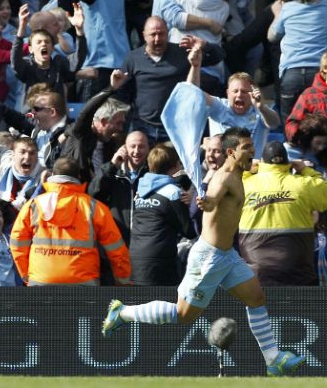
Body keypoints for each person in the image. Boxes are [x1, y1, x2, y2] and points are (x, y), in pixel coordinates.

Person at [102, 127, 307, 377]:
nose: (253, 152)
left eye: (252, 146)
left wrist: (293, 164)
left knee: (256, 298)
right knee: (183, 315)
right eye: (247, 148)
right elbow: (211, 199)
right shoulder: (223, 178)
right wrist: (206, 202)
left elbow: (259, 166)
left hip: (227, 256)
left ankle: (273, 359)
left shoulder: (243, 169)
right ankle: (123, 312)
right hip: (208, 258)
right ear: (231, 152)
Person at [10, 157, 133, 286]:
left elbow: (17, 242)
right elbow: (117, 249)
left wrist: (26, 274)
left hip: (41, 281)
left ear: (52, 175)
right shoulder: (94, 207)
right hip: (83, 283)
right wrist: (122, 280)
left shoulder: (34, 205)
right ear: (78, 176)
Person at [112, 17, 225, 144]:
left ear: (168, 33)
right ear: (144, 36)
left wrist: (204, 45)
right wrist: (116, 86)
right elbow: (123, 95)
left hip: (175, 128)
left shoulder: (182, 52)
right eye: (153, 34)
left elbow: (218, 56)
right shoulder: (133, 58)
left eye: (161, 34)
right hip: (144, 127)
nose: (157, 39)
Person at [239, 141, 327, 286]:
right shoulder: (303, 184)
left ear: (262, 163)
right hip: (298, 275)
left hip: (257, 275)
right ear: (287, 162)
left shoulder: (246, 184)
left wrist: (248, 170)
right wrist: (306, 170)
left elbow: (230, 182)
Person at [267, 0, 327, 120]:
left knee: (290, 125)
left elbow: (272, 36)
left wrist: (277, 14)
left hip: (291, 73)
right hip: (319, 73)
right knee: (319, 124)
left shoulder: (287, 8)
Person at [129, 144, 195, 285]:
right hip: (160, 262)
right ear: (175, 166)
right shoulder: (173, 192)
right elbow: (188, 231)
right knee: (163, 305)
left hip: (135, 258)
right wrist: (192, 206)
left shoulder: (140, 190)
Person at [88, 131, 151, 245]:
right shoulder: (112, 172)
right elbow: (93, 194)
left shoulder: (153, 175)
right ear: (125, 149)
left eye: (141, 146)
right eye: (133, 146)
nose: (136, 151)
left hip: (144, 245)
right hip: (116, 244)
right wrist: (112, 166)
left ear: (148, 149)